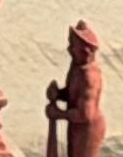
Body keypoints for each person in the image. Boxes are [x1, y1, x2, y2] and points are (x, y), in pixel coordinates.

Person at [42, 21, 105, 157]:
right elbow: (74, 94)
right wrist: (59, 93)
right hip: (77, 126)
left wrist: (59, 114)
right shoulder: (77, 66)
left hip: (88, 129)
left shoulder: (89, 77)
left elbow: (85, 114)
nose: (69, 49)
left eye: (73, 46)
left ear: (85, 50)